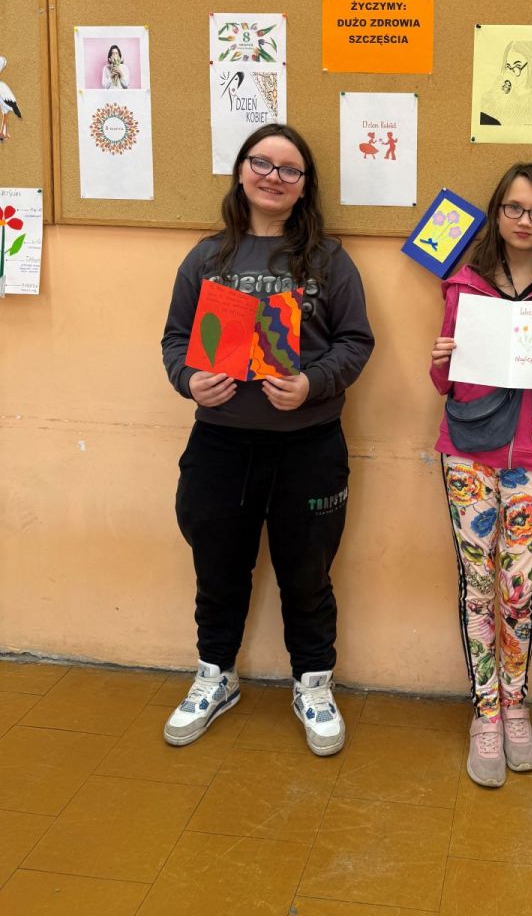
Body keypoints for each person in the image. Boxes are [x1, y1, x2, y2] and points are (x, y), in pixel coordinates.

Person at [160, 123, 374, 755]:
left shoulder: (328, 260)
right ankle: (215, 675)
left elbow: (356, 342)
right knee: (217, 569)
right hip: (220, 445)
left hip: (309, 445)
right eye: (262, 163)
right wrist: (189, 381)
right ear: (241, 170)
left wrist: (312, 384)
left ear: (305, 186)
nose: (274, 177)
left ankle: (313, 683)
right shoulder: (207, 258)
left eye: (289, 169)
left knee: (307, 575)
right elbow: (175, 341)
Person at [430, 164, 532, 788]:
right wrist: (440, 361)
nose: (525, 221)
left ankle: (516, 703)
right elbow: (444, 382)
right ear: (496, 211)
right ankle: (486, 711)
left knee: (517, 589)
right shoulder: (463, 282)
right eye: (514, 208)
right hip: (468, 452)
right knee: (478, 584)